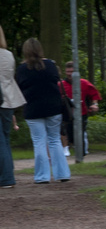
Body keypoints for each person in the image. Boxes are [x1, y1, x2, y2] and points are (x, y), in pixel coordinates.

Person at [16, 38, 71, 184]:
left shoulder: (22, 69)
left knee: (39, 142)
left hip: (33, 110)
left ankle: (42, 176)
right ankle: (62, 173)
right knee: (55, 140)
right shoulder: (51, 65)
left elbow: (19, 88)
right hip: (53, 108)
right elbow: (56, 82)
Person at [0, 26, 25, 189]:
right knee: (5, 139)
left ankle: (7, 177)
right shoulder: (8, 55)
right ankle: (8, 173)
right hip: (8, 100)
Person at [59, 61, 101, 156]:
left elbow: (94, 94)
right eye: (68, 71)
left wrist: (95, 104)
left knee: (81, 132)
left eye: (72, 71)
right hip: (66, 114)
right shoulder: (60, 85)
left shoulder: (84, 83)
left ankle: (82, 153)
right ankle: (68, 149)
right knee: (66, 132)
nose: (70, 74)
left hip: (82, 113)